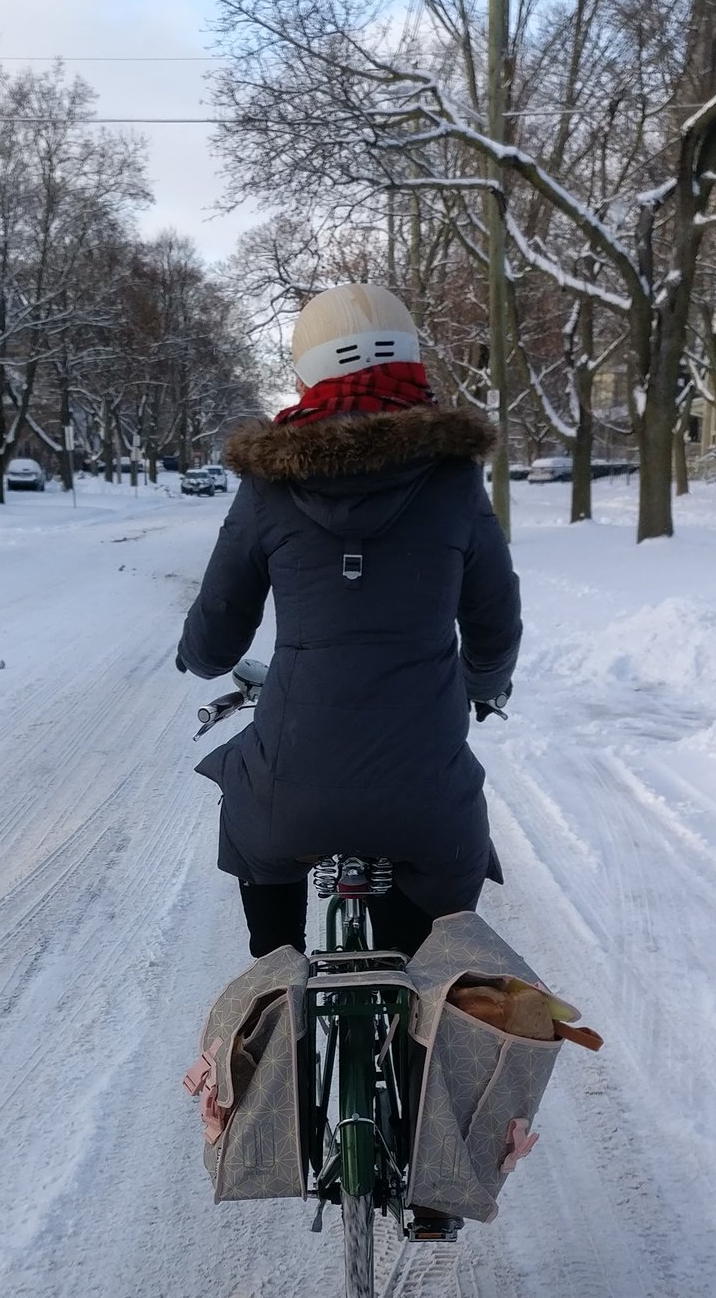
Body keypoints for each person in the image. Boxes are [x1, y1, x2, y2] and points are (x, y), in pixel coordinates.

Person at [177, 284, 521, 961]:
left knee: (255, 817)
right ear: (412, 362)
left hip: (291, 803)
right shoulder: (452, 478)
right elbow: (494, 617)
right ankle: (418, 1026)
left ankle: (277, 996)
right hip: (427, 805)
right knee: (428, 965)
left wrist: (199, 657)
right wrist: (485, 683)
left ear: (307, 370)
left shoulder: (269, 484)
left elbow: (220, 628)